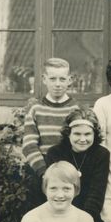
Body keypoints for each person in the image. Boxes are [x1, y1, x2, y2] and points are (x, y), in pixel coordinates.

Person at [22, 58, 80, 209]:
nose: (58, 84)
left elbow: (80, 143)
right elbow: (29, 145)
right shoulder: (36, 109)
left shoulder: (76, 110)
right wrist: (44, 173)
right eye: (53, 79)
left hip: (69, 173)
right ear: (44, 79)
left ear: (69, 80)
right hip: (42, 173)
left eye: (62, 79)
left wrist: (67, 173)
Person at [45, 108, 110, 222]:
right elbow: (52, 190)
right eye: (77, 134)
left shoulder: (101, 154)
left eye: (87, 134)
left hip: (88, 217)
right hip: (58, 214)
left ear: (94, 134)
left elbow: (97, 193)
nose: (82, 139)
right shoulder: (55, 153)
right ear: (68, 133)